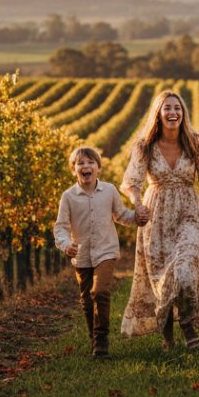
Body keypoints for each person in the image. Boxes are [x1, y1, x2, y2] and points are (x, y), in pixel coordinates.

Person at [120, 90, 199, 349]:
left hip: (189, 214)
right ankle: (167, 331)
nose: (173, 113)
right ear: (158, 113)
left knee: (187, 270)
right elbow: (131, 182)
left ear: (183, 113)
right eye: (167, 108)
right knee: (163, 278)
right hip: (156, 216)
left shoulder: (195, 141)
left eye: (177, 108)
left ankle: (188, 324)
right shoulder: (144, 145)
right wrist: (138, 206)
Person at [54, 146, 150, 358]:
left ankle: (101, 341)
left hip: (106, 251)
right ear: (73, 170)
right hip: (82, 255)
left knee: (100, 292)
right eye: (80, 163)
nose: (85, 166)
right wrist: (65, 244)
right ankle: (94, 338)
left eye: (90, 162)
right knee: (87, 300)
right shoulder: (68, 196)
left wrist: (136, 217)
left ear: (98, 167)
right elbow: (60, 226)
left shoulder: (109, 191)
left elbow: (120, 214)